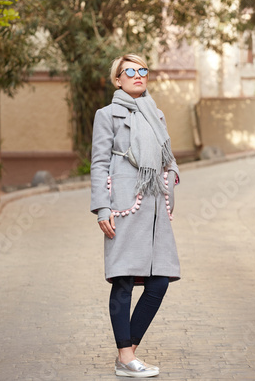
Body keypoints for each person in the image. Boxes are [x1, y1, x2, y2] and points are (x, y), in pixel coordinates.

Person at [90, 53, 180, 378]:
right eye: (130, 71)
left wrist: (171, 190)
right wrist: (101, 207)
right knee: (124, 281)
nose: (138, 75)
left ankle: (127, 353)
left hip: (155, 208)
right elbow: (99, 163)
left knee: (159, 282)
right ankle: (126, 358)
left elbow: (167, 157)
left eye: (143, 70)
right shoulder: (107, 115)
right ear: (118, 79)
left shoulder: (156, 114)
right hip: (124, 205)